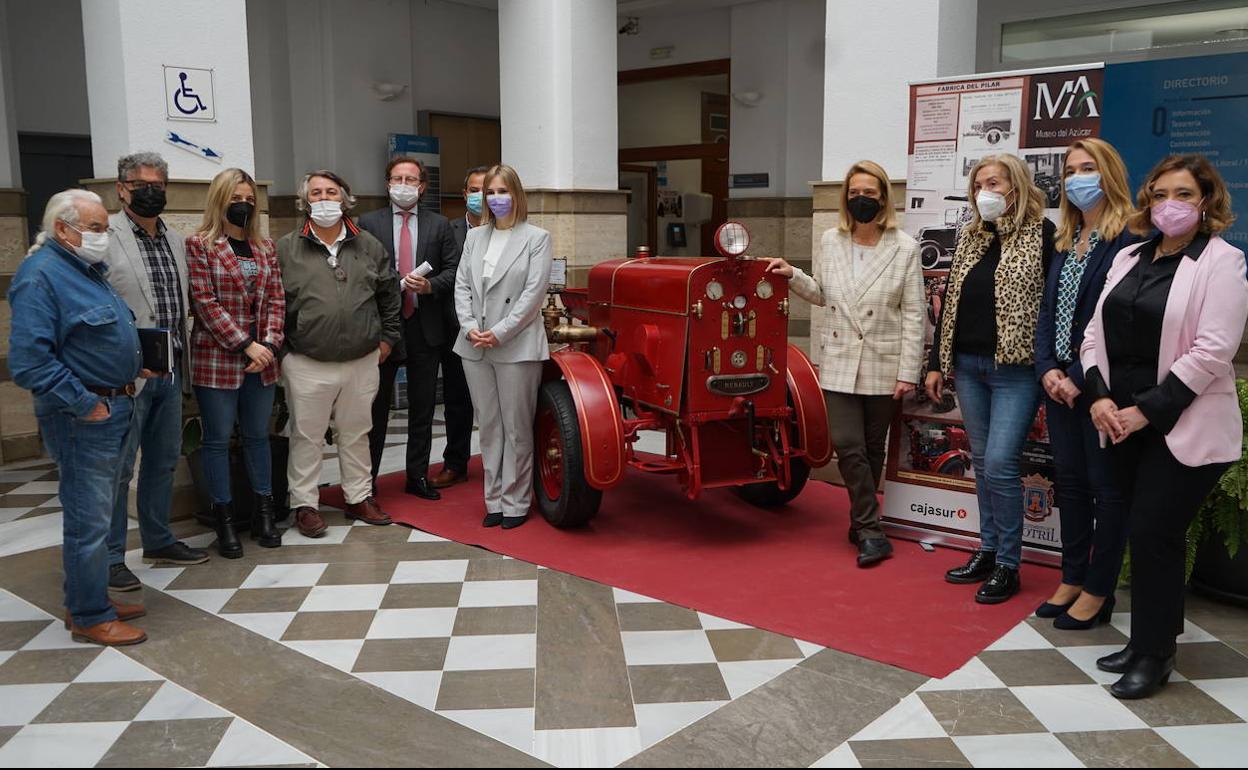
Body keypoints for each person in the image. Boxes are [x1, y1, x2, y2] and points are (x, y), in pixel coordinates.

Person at [1081, 154, 1247, 699]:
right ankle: (1144, 641)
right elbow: (1092, 336)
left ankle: (1156, 654)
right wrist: (1101, 399)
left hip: (1182, 423)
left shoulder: (1223, 262)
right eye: (1159, 194)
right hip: (1122, 421)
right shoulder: (1129, 256)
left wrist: (1145, 409)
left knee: (1155, 532)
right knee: (1145, 533)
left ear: (1206, 203)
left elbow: (1213, 352)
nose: (1169, 204)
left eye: (1183, 194)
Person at [766, 160, 924, 567]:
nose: (861, 200)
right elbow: (823, 294)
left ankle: (861, 523)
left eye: (869, 194)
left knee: (873, 449)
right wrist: (793, 276)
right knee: (848, 445)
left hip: (883, 362)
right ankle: (872, 531)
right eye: (854, 193)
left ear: (884, 198)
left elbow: (913, 314)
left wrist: (908, 371)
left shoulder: (904, 248)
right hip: (838, 359)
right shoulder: (831, 240)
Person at [8, 190, 149, 645]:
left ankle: (90, 596)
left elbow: (92, 338)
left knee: (103, 513)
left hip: (114, 405)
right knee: (87, 518)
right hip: (83, 417)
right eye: (94, 228)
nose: (102, 236)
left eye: (104, 228)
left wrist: (132, 365)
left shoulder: (85, 270)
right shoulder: (41, 276)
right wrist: (86, 403)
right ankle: (90, 615)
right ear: (63, 229)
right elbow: (30, 363)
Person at [925, 154, 1056, 604]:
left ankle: (1008, 564)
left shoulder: (1043, 235)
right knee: (981, 462)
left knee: (1000, 463)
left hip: (1015, 372)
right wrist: (936, 364)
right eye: (979, 183)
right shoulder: (970, 238)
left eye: (994, 182)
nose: (985, 191)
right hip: (968, 367)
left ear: (1015, 188)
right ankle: (987, 548)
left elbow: (1052, 308)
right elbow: (951, 305)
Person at [1032, 139, 1139, 629]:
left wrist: (1077, 376)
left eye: (1088, 168)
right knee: (1070, 485)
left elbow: (1116, 320)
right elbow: (1048, 311)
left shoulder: (1130, 237)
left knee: (1106, 488)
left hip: (1101, 389)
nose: (1078, 177)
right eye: (1071, 169)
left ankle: (1099, 590)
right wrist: (1047, 368)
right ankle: (1071, 578)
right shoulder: (1065, 239)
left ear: (1109, 173)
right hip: (1057, 385)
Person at [277, 170, 401, 537]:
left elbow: (389, 295)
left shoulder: (369, 245)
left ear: (345, 199)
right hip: (306, 362)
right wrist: (284, 353)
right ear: (305, 201)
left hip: (362, 360)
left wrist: (387, 340)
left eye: (331, 192)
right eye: (316, 193)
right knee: (306, 436)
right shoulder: (285, 248)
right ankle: (305, 505)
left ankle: (358, 497)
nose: (324, 199)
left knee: (356, 432)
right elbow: (272, 302)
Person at [105, 152, 209, 593]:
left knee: (164, 462)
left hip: (169, 369)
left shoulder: (176, 240)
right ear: (121, 188)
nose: (150, 191)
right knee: (120, 468)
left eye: (158, 185)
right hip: (127, 374)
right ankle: (110, 558)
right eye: (140, 183)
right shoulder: (104, 237)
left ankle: (158, 539)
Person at [186, 168, 285, 556]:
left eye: (248, 199)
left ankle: (263, 513)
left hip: (263, 361)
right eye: (235, 198)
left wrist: (270, 346)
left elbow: (277, 299)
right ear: (219, 200)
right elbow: (204, 303)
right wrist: (246, 345)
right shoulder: (200, 245)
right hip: (219, 359)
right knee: (216, 439)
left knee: (259, 436)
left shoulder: (265, 247)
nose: (243, 204)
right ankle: (224, 519)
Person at [453, 164, 553, 529]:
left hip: (516, 345)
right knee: (490, 427)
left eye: (503, 191)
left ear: (517, 195)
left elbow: (533, 295)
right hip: (474, 345)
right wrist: (468, 327)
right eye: (490, 192)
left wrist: (500, 331)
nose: (495, 199)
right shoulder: (474, 237)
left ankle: (515, 501)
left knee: (516, 427)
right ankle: (493, 499)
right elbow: (461, 287)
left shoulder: (536, 238)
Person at [359, 157, 461, 501]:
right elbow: (361, 271)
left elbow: (452, 269)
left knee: (422, 408)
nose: (404, 184)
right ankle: (365, 483)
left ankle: (417, 476)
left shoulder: (440, 225)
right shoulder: (368, 223)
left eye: (411, 179)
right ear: (388, 183)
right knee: (375, 409)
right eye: (397, 178)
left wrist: (429, 286)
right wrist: (394, 283)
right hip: (383, 329)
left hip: (425, 326)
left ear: (421, 187)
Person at [434, 166, 489, 489]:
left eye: (487, 189)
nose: (480, 196)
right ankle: (456, 462)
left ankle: (506, 463)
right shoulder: (448, 231)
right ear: (464, 193)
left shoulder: (510, 232)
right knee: (457, 401)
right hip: (456, 330)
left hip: (498, 332)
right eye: (474, 189)